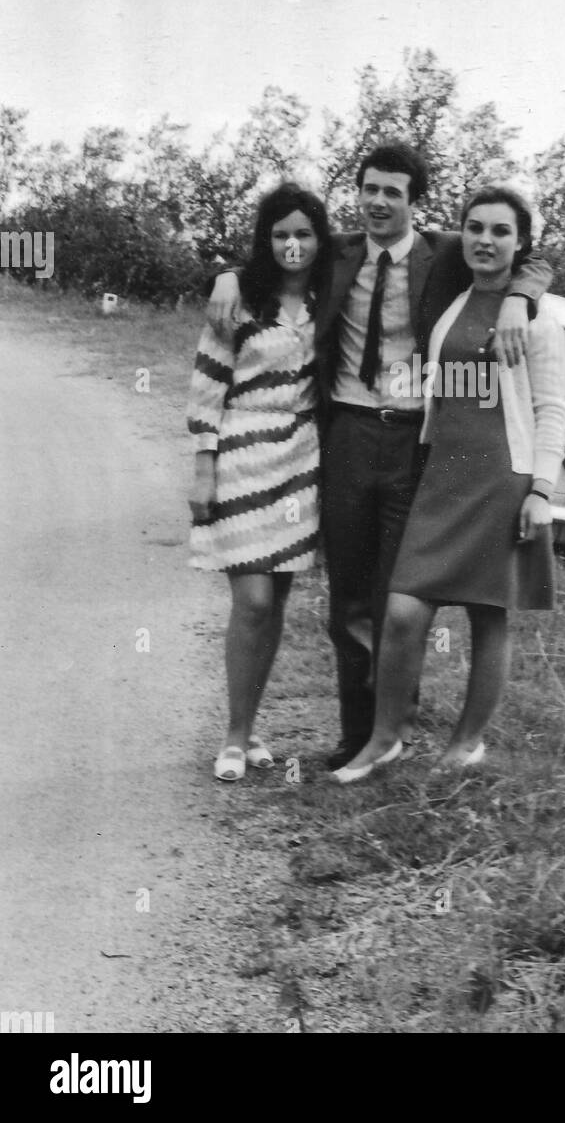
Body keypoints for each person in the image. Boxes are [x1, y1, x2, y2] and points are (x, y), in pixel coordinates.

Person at [207, 143, 552, 768]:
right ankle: (358, 735)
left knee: (398, 589)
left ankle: (391, 729)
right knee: (349, 599)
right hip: (346, 435)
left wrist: (520, 298)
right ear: (357, 191)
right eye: (369, 189)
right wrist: (228, 273)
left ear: (415, 202)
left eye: (393, 192)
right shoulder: (337, 253)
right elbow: (277, 249)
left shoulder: (447, 250)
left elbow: (530, 257)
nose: (378, 202)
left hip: (414, 439)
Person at [333, 185, 565, 783]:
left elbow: (549, 411)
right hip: (442, 476)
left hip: (503, 479)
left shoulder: (541, 316)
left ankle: (468, 743)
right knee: (405, 610)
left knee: (490, 616)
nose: (485, 240)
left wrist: (541, 490)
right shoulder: (453, 298)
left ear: (520, 243)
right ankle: (384, 740)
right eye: (476, 228)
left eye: (500, 231)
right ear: (461, 232)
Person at [187, 183, 331, 781]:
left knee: (276, 606)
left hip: (301, 461)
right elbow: (208, 379)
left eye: (302, 233)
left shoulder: (332, 298)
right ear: (264, 240)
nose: (291, 245)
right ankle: (233, 735)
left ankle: (253, 730)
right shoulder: (240, 300)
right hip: (241, 458)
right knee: (251, 601)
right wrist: (202, 465)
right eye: (279, 234)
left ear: (318, 239)